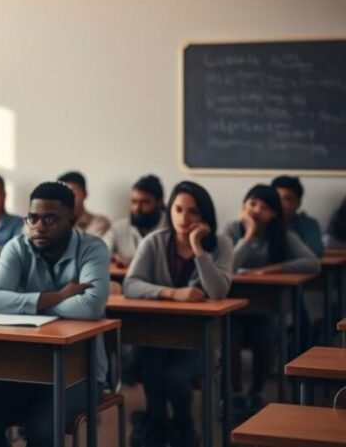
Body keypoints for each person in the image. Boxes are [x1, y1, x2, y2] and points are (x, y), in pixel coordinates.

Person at [0, 181, 109, 447]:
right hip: (26, 367)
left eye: (50, 219)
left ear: (72, 220)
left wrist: (27, 305)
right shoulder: (17, 247)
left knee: (41, 431)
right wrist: (59, 297)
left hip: (81, 372)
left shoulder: (93, 248)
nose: (39, 226)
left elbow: (90, 307)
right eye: (33, 218)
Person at [123, 181, 233, 447]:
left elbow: (218, 291)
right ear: (169, 211)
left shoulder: (221, 244)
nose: (184, 218)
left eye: (193, 211)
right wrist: (172, 293)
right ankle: (158, 423)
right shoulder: (155, 242)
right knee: (151, 363)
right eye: (178, 209)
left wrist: (198, 249)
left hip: (199, 341)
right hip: (156, 337)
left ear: (205, 215)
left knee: (173, 376)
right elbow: (131, 284)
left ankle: (183, 424)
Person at [222, 184, 319, 416]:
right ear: (243, 206)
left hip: (265, 310)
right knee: (229, 338)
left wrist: (272, 269)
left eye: (264, 207)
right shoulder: (230, 230)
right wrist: (249, 235)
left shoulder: (284, 236)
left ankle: (255, 393)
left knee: (266, 336)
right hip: (232, 308)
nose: (256, 210)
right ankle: (234, 396)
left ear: (274, 213)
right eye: (252, 203)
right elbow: (228, 266)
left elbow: (312, 264)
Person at [110, 175, 166, 267]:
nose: (137, 208)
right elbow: (98, 253)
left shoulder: (172, 228)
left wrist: (133, 263)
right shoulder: (118, 228)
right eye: (134, 202)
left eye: (145, 202)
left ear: (159, 203)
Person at [271, 175, 324, 257]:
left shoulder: (308, 224)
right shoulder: (261, 222)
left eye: (287, 199)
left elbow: (315, 252)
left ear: (298, 204)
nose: (280, 203)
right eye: (276, 198)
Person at [58, 171, 112, 243]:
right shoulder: (53, 223)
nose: (66, 198)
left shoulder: (99, 223)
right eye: (62, 194)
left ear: (85, 194)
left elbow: (93, 251)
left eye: (71, 193)